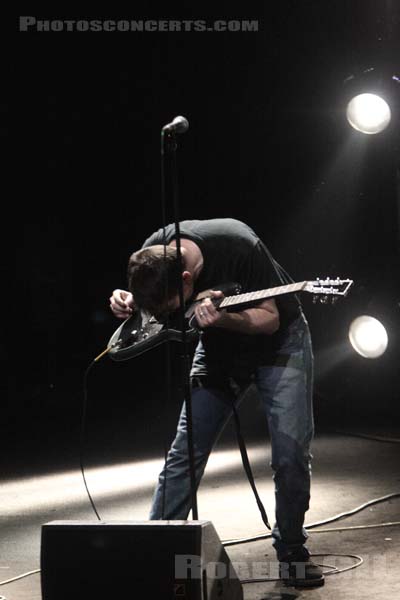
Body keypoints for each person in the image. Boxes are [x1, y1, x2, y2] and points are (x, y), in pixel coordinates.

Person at [109, 217, 324, 587]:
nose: (167, 317)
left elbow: (269, 319)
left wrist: (223, 320)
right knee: (184, 454)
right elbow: (150, 301)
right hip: (218, 350)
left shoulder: (239, 244)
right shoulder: (155, 250)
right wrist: (129, 302)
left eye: (171, 307)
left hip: (279, 344)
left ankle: (291, 550)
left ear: (188, 280)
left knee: (289, 455)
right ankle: (154, 548)